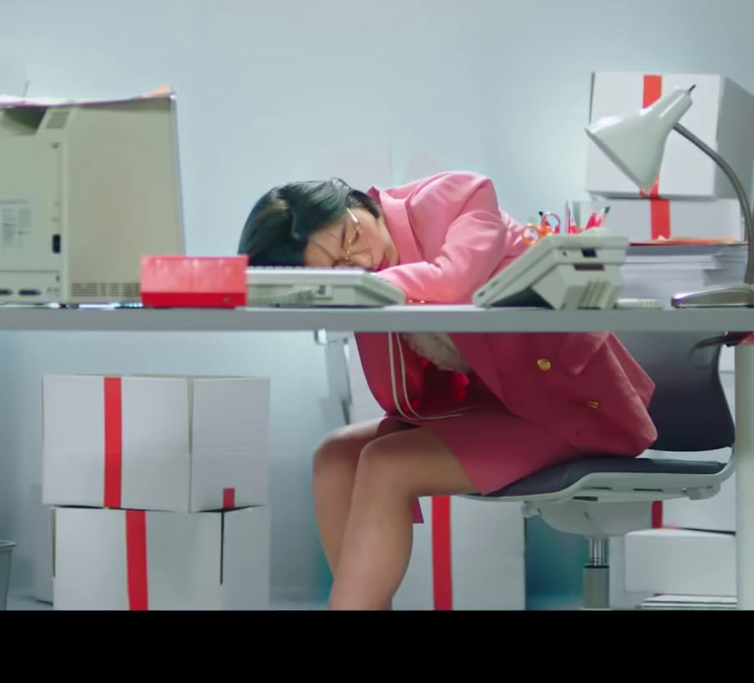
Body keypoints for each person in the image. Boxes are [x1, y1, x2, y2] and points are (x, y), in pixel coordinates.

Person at [237, 171, 657, 610]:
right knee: (334, 457)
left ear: (355, 200)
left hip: (563, 408)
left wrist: (346, 289)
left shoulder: (457, 197)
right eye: (335, 270)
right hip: (488, 407)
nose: (357, 260)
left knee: (388, 464)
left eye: (350, 235)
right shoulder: (364, 273)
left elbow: (455, 281)